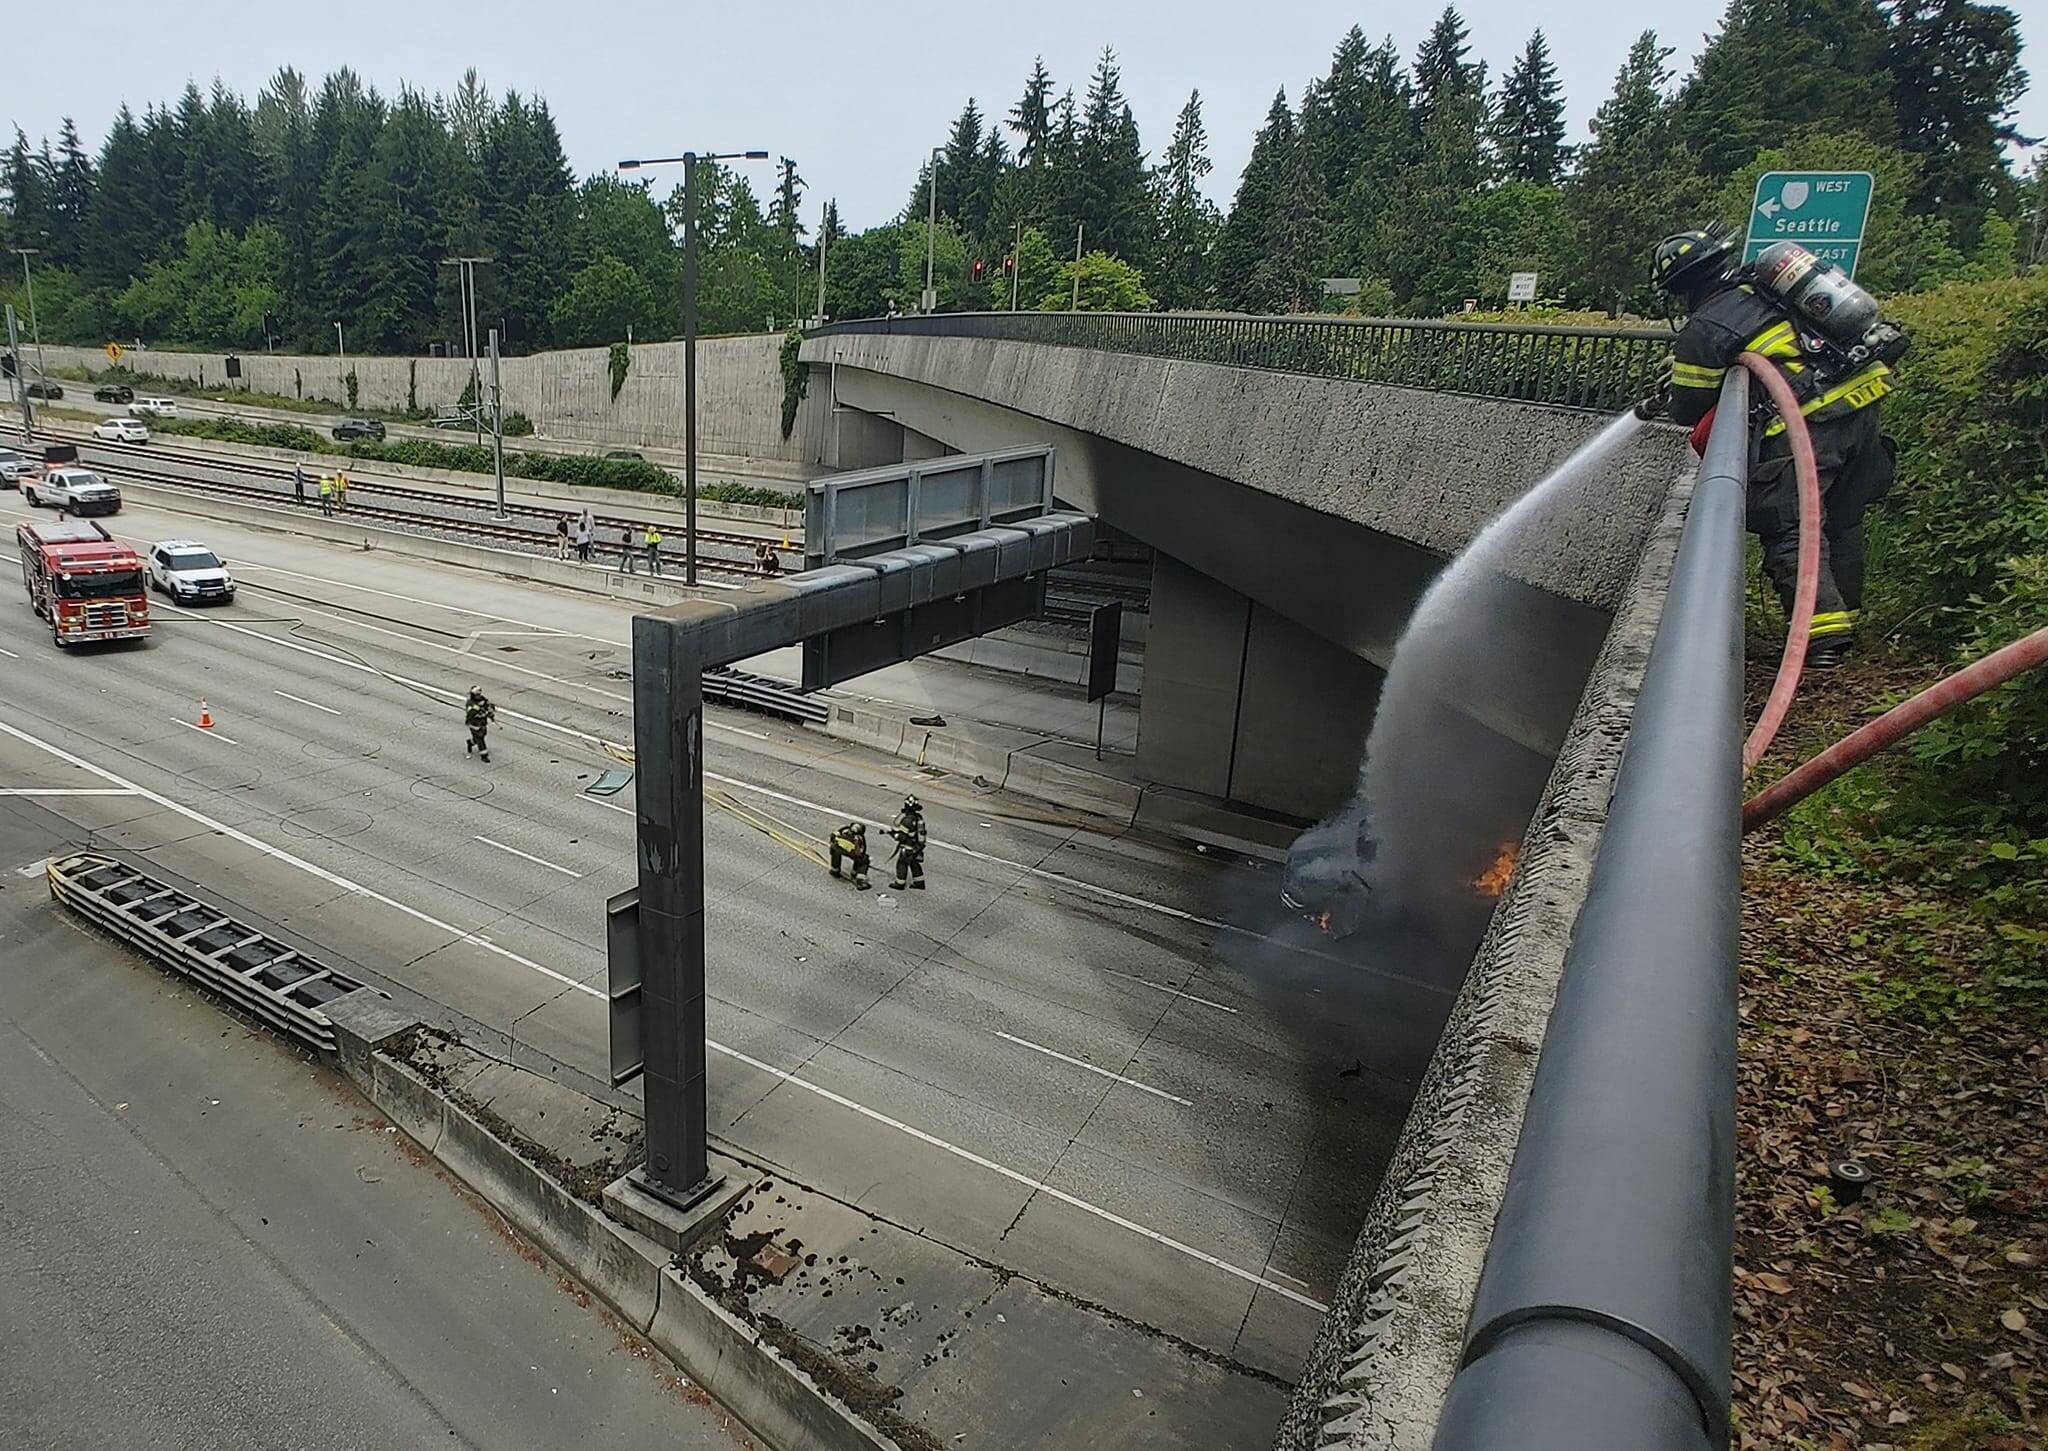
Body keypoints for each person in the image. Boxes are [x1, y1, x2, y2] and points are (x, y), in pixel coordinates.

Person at [1652, 226, 1898, 669]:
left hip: (1810, 422)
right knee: (1842, 520)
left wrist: (1684, 371)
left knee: (1790, 526)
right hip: (1861, 402)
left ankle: (1822, 645)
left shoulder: (1705, 325)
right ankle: (1845, 624)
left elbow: (1687, 407)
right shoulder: (1761, 290)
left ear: (1680, 289)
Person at [888, 795, 927, 891]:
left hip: (908, 847)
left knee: (902, 864)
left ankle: (899, 884)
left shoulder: (907, 821)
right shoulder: (918, 817)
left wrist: (893, 834)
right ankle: (919, 883)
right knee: (914, 863)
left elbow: (902, 836)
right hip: (917, 846)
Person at [829, 822, 871, 890]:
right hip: (851, 852)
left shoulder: (844, 829)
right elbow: (861, 852)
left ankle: (835, 870)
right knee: (864, 859)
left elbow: (833, 835)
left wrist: (833, 843)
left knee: (834, 849)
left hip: (839, 849)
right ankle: (859, 879)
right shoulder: (859, 837)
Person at [464, 686, 496, 762]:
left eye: (479, 694)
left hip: (483, 722)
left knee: (482, 735)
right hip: (475, 724)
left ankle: (470, 742)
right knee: (480, 738)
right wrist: (478, 708)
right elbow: (470, 715)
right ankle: (484, 756)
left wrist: (491, 714)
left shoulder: (483, 700)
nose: (479, 696)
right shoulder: (471, 703)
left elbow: (489, 707)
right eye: (477, 695)